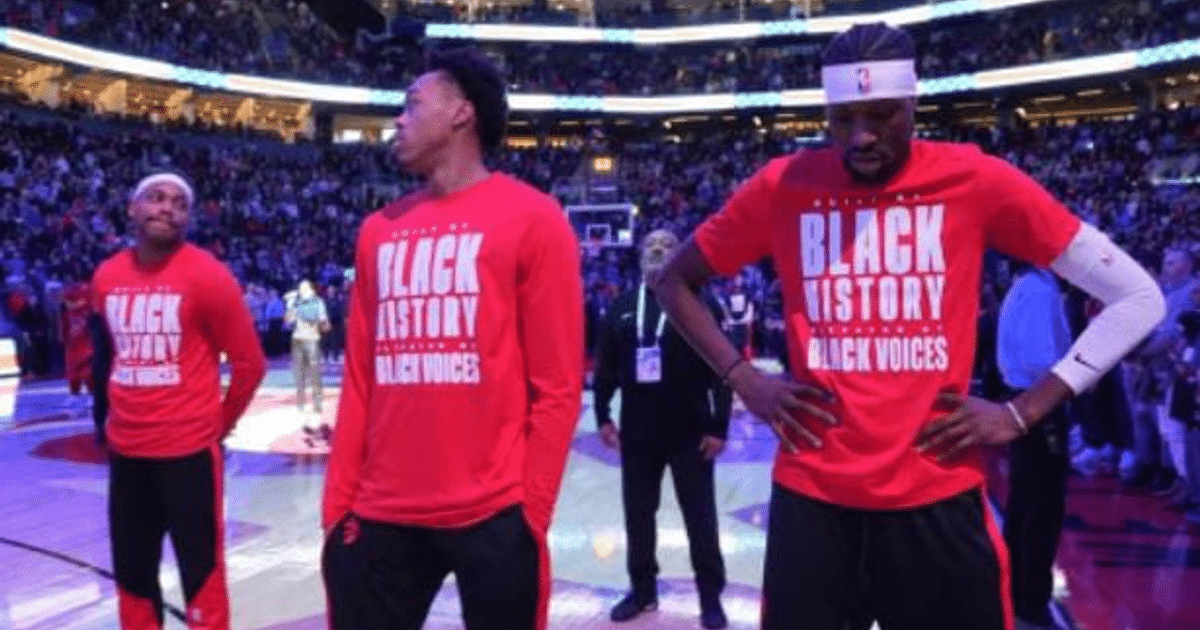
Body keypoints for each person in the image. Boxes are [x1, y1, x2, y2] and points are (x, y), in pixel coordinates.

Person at [653, 22, 1166, 630]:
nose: (860, 136)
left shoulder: (975, 179)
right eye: (842, 118)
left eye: (882, 116)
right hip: (813, 497)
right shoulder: (784, 185)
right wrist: (743, 377)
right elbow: (673, 280)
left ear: (914, 104)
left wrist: (1025, 410)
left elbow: (1137, 296)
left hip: (937, 496)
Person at [321, 47, 584, 630]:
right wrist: (338, 509)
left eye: (413, 105)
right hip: (379, 511)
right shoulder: (377, 231)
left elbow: (560, 386)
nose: (399, 120)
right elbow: (361, 378)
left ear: (462, 113)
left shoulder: (535, 219)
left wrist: (529, 516)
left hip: (493, 512)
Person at [92, 170, 267, 630]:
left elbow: (250, 364)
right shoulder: (106, 276)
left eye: (178, 203)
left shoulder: (208, 275)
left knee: (201, 571)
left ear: (188, 219)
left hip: (188, 452)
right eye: (155, 198)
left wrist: (219, 425)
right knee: (132, 571)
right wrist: (107, 424)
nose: (167, 207)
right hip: (127, 452)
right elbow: (108, 357)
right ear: (133, 208)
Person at [593, 229, 731, 629]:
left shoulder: (703, 304)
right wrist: (602, 414)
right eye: (651, 245)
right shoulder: (620, 306)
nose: (657, 250)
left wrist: (719, 427)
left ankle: (710, 598)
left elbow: (723, 371)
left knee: (700, 517)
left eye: (667, 245)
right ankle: (642, 590)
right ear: (640, 257)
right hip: (637, 435)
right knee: (638, 516)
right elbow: (605, 369)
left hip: (692, 432)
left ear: (679, 256)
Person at [995, 263, 1073, 630]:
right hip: (1041, 402)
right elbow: (1043, 361)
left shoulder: (1025, 286)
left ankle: (1016, 591)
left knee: (1025, 501)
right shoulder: (1041, 291)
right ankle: (1030, 599)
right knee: (1043, 505)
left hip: (1024, 400)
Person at [285, 279, 330, 438]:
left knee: (314, 374)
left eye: (304, 287)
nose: (302, 290)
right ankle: (302, 404)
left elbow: (325, 323)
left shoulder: (317, 303)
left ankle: (317, 405)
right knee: (300, 374)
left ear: (311, 289)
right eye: (300, 288)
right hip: (298, 339)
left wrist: (323, 324)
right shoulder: (296, 304)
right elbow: (288, 322)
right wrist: (290, 306)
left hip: (311, 339)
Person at [61, 280, 94, 407]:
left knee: (88, 373)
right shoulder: (68, 313)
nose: (68, 304)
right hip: (73, 348)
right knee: (72, 374)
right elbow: (65, 329)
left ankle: (92, 394)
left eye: (70, 300)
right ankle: (74, 394)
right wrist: (64, 342)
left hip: (87, 347)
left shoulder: (88, 312)